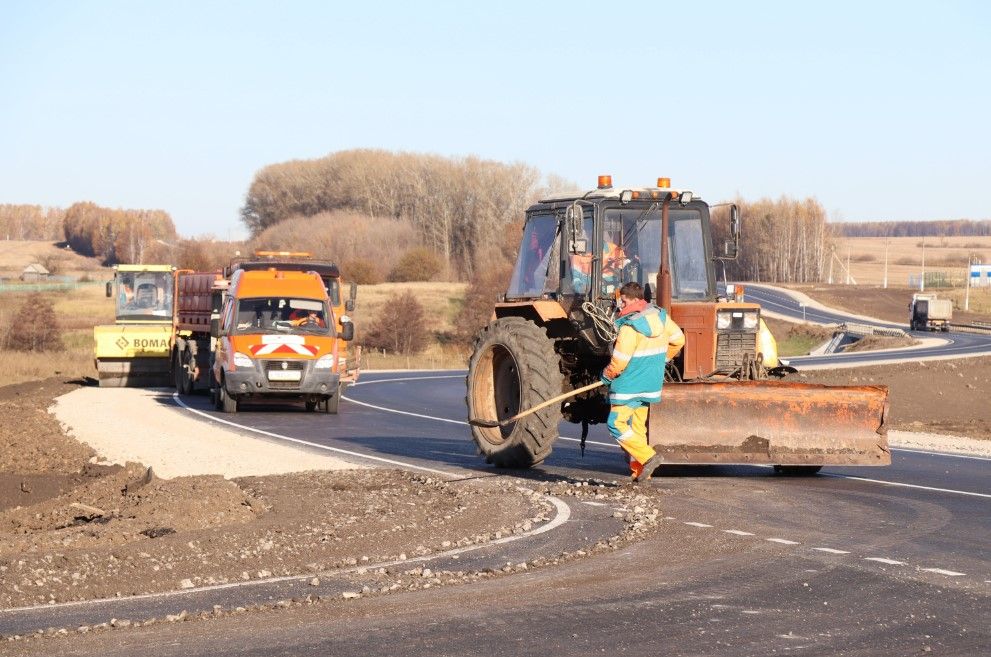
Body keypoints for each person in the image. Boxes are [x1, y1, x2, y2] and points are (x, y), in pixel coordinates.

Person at [600, 281, 685, 482]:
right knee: (637, 426)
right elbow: (679, 339)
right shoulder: (661, 317)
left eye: (623, 300)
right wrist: (662, 359)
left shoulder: (629, 327)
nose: (621, 305)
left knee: (616, 424)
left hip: (629, 385)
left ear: (634, 300)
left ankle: (649, 457)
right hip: (651, 383)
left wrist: (606, 375)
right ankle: (639, 472)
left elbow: (619, 362)